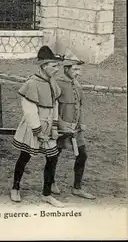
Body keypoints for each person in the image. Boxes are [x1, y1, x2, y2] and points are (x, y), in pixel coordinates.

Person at [10, 45, 65, 207]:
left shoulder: (51, 83)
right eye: (54, 66)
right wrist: (38, 131)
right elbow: (29, 111)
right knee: (25, 157)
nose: (57, 69)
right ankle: (15, 187)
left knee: (52, 158)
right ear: (43, 66)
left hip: (48, 125)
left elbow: (54, 105)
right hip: (34, 126)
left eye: (58, 66)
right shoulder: (32, 83)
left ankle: (46, 194)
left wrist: (54, 127)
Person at [53, 49, 95, 200]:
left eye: (79, 69)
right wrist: (62, 124)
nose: (79, 73)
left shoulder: (77, 84)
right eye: (75, 69)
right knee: (53, 156)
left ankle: (77, 188)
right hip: (60, 128)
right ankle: (51, 183)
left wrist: (81, 122)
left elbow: (80, 105)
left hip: (76, 129)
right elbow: (51, 108)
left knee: (82, 155)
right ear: (66, 69)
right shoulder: (57, 83)